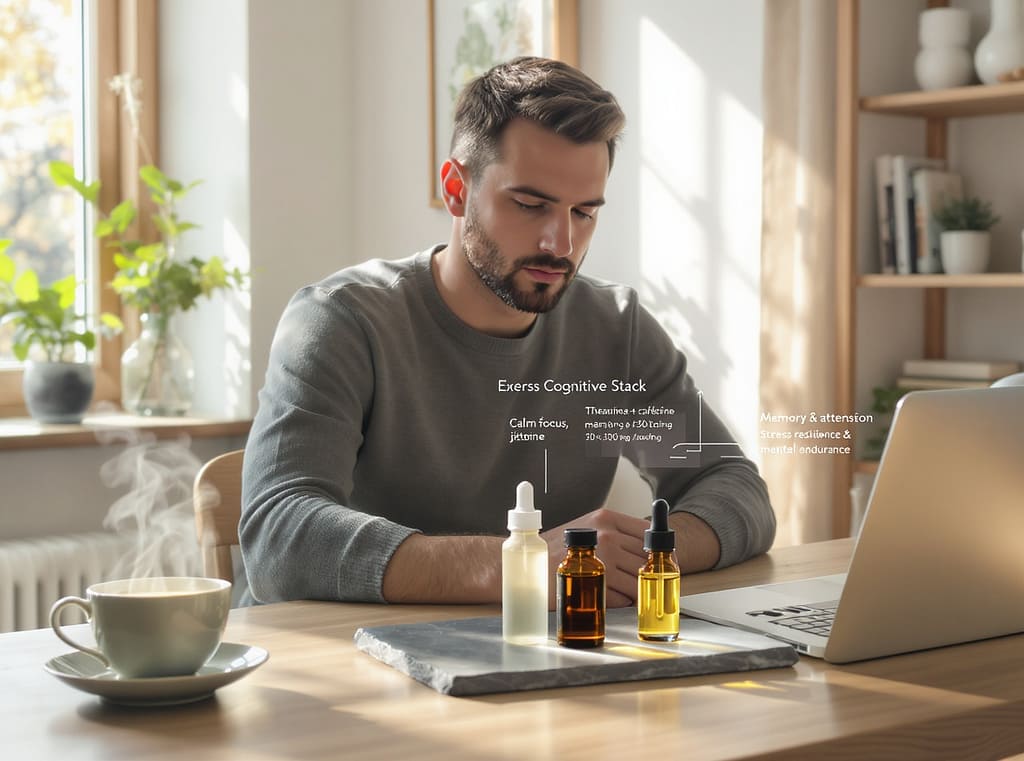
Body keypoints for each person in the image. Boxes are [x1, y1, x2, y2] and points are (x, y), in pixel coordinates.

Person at [240, 56, 775, 608]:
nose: (561, 243)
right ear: (456, 189)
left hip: (535, 648)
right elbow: (278, 538)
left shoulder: (616, 330)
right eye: (529, 205)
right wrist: (520, 566)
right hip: (339, 652)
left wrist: (640, 552)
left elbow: (734, 487)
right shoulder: (341, 320)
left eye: (584, 212)